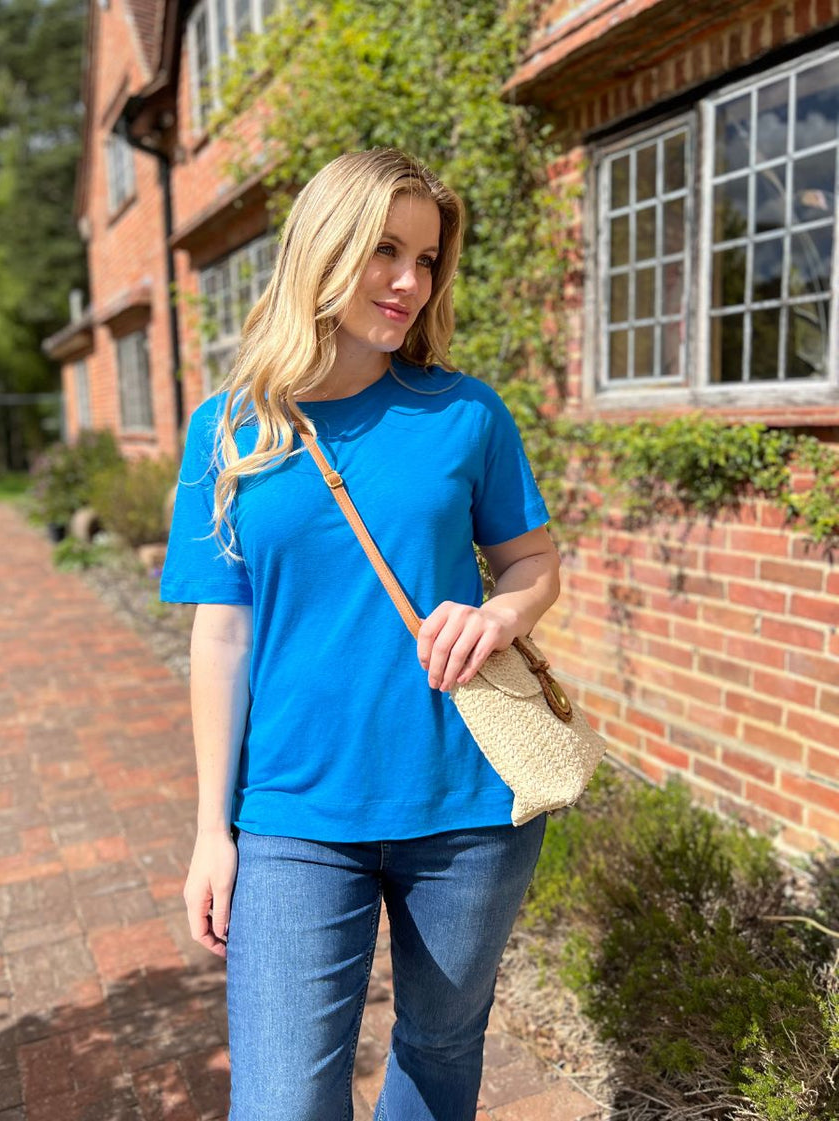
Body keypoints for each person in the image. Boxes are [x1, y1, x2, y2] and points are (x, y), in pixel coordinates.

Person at [160, 147, 562, 1121]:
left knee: (439, 1048)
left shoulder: (465, 412)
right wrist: (211, 831)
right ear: (321, 247)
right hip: (293, 814)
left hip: (467, 807)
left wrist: (498, 612)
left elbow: (534, 563)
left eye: (425, 259)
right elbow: (222, 639)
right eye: (385, 249)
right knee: (282, 1098)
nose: (409, 282)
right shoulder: (231, 429)